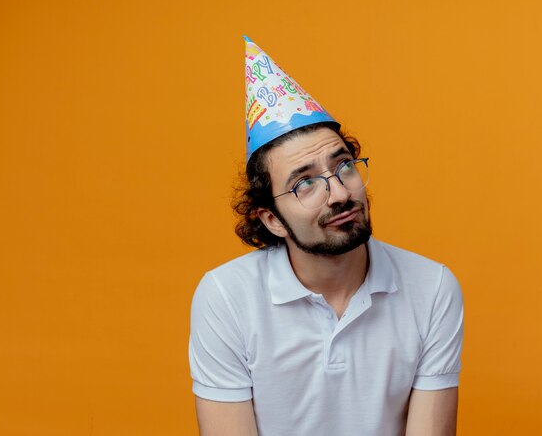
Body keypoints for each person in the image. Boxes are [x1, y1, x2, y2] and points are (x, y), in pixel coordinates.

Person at [189, 36, 464, 436]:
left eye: (344, 166)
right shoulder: (226, 296)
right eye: (305, 184)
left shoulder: (433, 288)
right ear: (271, 219)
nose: (339, 193)